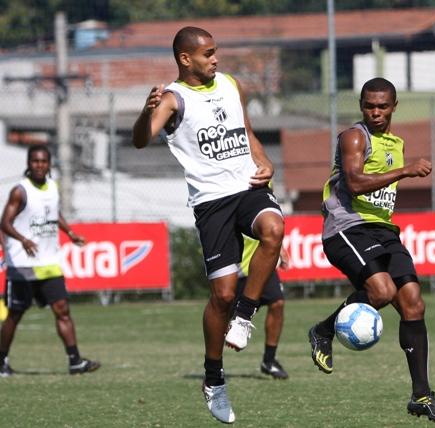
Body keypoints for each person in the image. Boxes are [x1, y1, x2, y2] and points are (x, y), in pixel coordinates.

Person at [131, 26, 284, 424]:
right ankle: (213, 380)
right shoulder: (172, 98)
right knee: (221, 295)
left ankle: (246, 317)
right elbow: (141, 139)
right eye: (208, 53)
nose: (216, 59)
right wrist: (145, 112)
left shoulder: (231, 84)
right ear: (186, 58)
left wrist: (265, 161)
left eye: (216, 52)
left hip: (247, 188)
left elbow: (246, 132)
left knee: (274, 230)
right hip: (211, 204)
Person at [307, 78, 435, 425]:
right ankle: (324, 330)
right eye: (369, 105)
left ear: (394, 106)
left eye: (382, 106)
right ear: (361, 105)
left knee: (414, 302)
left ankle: (421, 396)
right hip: (346, 228)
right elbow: (354, 183)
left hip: (384, 230)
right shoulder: (354, 137)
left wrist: (401, 167)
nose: (375, 112)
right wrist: (404, 170)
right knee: (382, 291)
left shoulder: (395, 143)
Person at [0, 145, 100, 377]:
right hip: (23, 265)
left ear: (49, 164)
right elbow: (4, 222)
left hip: (49, 262)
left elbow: (54, 214)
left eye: (43, 161)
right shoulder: (20, 191)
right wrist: (23, 239)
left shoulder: (53, 187)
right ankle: (1, 361)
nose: (39, 165)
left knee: (62, 310)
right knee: (15, 314)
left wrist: (70, 232)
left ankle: (75, 361)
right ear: (28, 163)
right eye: (35, 161)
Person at [236, 235, 289, 379]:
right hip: (238, 273)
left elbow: (269, 227)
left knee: (277, 303)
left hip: (264, 266)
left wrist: (280, 248)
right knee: (226, 319)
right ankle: (214, 365)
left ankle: (269, 361)